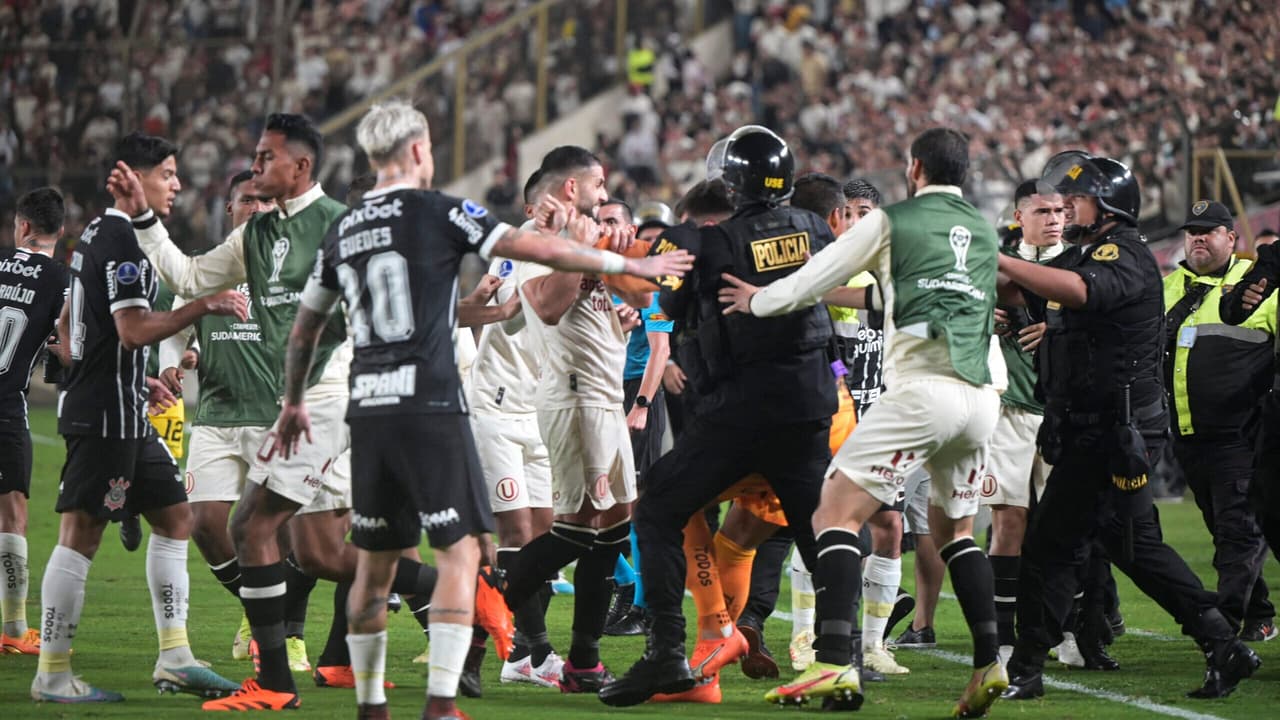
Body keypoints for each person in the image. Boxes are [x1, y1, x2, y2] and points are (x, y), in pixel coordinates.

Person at [271, 100, 690, 720]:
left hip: (370, 409)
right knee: (465, 553)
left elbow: (308, 326)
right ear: (418, 151)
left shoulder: (345, 230)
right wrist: (630, 263)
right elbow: (530, 262)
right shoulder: (446, 213)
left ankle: (372, 705)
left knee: (376, 564)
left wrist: (294, 401)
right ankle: (447, 696)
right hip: (440, 405)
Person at [110, 114, 446, 709]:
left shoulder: (340, 226)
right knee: (318, 552)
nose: (256, 165)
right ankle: (461, 591)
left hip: (334, 396)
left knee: (251, 526)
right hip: (296, 402)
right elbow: (187, 276)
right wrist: (142, 218)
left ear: (301, 167)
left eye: (267, 157)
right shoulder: (255, 237)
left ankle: (274, 682)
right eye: (256, 156)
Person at [719, 127, 1008, 717]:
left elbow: (816, 276)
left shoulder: (893, 221)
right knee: (956, 534)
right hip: (980, 398)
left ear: (915, 167)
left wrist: (756, 300)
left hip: (922, 392)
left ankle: (831, 662)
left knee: (833, 514)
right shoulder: (981, 229)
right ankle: (989, 662)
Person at [999, 151, 1260, 702]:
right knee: (1133, 547)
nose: (1069, 206)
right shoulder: (1088, 251)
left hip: (1111, 432)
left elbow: (1080, 291)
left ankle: (1024, 668)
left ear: (1110, 203)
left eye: (1080, 197)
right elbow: (1042, 291)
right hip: (1102, 427)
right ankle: (1221, 643)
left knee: (1050, 545)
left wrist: (999, 263)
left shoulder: (1122, 254)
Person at [600, 124, 841, 709]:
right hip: (811, 407)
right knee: (822, 534)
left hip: (741, 411)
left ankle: (668, 652)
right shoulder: (813, 226)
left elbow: (672, 303)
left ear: (732, 182)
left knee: (658, 502)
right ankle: (838, 663)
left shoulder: (715, 243)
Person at [34, 132, 243, 703]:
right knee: (81, 535)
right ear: (136, 176)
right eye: (168, 173)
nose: (177, 184)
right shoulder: (123, 238)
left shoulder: (98, 235)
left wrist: (137, 378)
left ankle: (175, 656)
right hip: (105, 418)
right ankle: (51, 673)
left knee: (177, 517)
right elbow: (130, 329)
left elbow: (94, 332)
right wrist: (204, 304)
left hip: (124, 406)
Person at [163, 170, 320, 670]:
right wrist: (175, 360)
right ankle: (260, 611)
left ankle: (289, 635)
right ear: (229, 209)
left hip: (274, 416)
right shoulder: (208, 269)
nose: (256, 208)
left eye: (265, 202)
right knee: (205, 526)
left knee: (286, 531)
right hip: (215, 415)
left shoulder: (288, 271)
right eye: (247, 201)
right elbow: (176, 325)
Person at [501, 146, 641, 694]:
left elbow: (591, 308)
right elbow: (550, 306)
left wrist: (621, 320)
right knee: (576, 530)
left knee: (615, 527)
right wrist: (583, 253)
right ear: (569, 188)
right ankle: (480, 610)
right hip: (575, 396)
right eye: (598, 184)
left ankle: (584, 659)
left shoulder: (579, 238)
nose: (604, 196)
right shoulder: (540, 241)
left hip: (603, 394)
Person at [466, 168, 562, 693]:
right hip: (496, 411)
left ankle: (514, 651)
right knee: (516, 536)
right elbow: (509, 317)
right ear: (532, 212)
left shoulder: (574, 258)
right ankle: (537, 651)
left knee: (549, 536)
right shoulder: (514, 254)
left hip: (539, 411)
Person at [1165, 200, 1275, 640]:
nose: (1198, 238)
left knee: (1236, 532)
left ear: (1232, 239)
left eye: (1209, 231)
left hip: (1242, 434)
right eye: (1192, 231)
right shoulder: (1168, 286)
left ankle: (1224, 625)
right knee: (1223, 530)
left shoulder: (1260, 287)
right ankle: (1260, 613)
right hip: (1188, 436)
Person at [982, 180, 1065, 663]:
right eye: (1043, 211)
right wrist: (981, 320)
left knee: (1063, 526)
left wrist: (1057, 330)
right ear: (1019, 216)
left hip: (1063, 412)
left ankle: (1067, 630)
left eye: (1059, 210)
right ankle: (1004, 635)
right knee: (1008, 522)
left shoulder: (1079, 264)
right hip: (1009, 409)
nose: (1054, 218)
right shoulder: (995, 263)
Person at [0, 187, 68, 656]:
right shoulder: (61, 279)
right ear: (56, 233)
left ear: (22, 226)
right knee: (13, 515)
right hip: (5, 407)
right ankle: (13, 628)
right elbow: (68, 347)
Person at [602, 199, 672, 639]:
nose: (606, 227)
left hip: (636, 397)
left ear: (628, 228)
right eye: (601, 220)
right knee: (592, 503)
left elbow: (660, 348)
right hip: (600, 394)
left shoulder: (644, 277)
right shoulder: (596, 275)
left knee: (634, 503)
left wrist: (641, 405)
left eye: (613, 221)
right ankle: (627, 583)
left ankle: (641, 604)